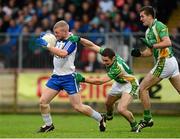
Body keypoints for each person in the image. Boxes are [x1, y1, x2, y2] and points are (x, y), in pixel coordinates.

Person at [36, 20, 106, 133]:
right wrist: (46, 38)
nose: (55, 35)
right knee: (43, 102)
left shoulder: (71, 41)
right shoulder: (59, 39)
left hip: (69, 78)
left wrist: (47, 45)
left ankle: (100, 117)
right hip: (56, 77)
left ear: (65, 31)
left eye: (57, 32)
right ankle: (48, 125)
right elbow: (54, 45)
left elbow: (63, 53)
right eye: (54, 33)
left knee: (78, 107)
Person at [68, 35, 139, 132]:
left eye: (106, 61)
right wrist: (79, 39)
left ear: (113, 58)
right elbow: (92, 45)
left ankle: (134, 125)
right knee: (108, 103)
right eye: (103, 60)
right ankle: (109, 115)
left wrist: (83, 79)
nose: (105, 63)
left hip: (130, 84)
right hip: (119, 82)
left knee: (121, 109)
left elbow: (100, 81)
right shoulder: (109, 54)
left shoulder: (116, 68)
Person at [131, 6, 180, 132]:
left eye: (142, 16)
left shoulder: (159, 25)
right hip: (169, 62)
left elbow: (168, 42)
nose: (140, 19)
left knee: (142, 88)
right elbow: (150, 51)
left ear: (150, 16)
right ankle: (148, 119)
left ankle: (148, 119)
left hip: (165, 61)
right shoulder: (148, 32)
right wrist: (140, 54)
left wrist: (152, 45)